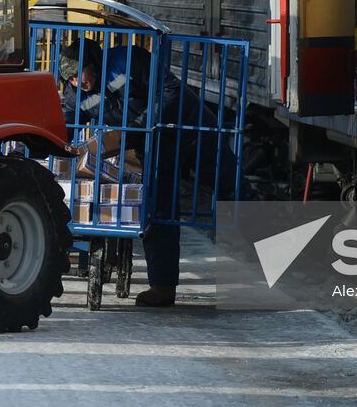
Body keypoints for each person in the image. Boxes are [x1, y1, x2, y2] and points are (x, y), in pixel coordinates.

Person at [58, 38, 244, 308]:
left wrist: (137, 127)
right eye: (70, 78)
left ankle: (279, 257)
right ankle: (163, 287)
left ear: (93, 62)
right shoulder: (78, 96)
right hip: (155, 149)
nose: (76, 81)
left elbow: (170, 89)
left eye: (78, 73)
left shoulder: (128, 60)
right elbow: (66, 124)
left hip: (191, 129)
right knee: (159, 211)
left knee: (234, 190)